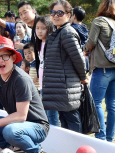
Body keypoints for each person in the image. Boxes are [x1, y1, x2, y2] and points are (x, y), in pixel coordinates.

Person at [42, 0, 88, 132]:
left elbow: (79, 59)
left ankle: (77, 148)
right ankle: (69, 150)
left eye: (60, 12)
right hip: (60, 86)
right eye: (53, 12)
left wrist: (83, 77)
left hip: (67, 86)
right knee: (65, 119)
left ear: (69, 15)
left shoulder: (67, 32)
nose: (55, 15)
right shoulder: (57, 32)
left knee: (71, 119)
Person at [84, 0, 115, 142]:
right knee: (112, 105)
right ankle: (109, 138)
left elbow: (91, 42)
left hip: (103, 68)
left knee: (95, 102)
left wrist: (84, 49)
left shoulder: (99, 21)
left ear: (103, 6)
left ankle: (100, 137)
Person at [33, 15, 60, 127]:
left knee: (52, 114)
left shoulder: (51, 43)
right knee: (47, 113)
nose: (39, 31)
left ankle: (56, 137)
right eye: (37, 28)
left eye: (43, 28)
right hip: (43, 84)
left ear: (49, 28)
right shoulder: (39, 43)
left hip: (52, 84)